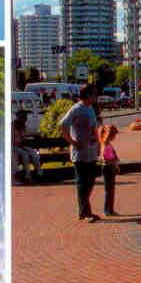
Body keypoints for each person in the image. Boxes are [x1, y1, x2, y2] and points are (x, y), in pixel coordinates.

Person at [59, 86, 100, 222]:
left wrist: (98, 144)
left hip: (91, 151)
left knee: (91, 181)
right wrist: (72, 141)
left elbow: (94, 128)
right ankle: (85, 213)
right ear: (88, 95)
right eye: (94, 94)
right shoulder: (76, 109)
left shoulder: (90, 108)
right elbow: (62, 125)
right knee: (82, 183)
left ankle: (85, 211)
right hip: (80, 153)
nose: (96, 97)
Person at [12, 110, 42, 183]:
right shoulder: (12, 126)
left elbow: (23, 138)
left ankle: (39, 173)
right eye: (23, 117)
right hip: (14, 146)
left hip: (21, 145)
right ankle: (27, 176)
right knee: (25, 155)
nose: (25, 119)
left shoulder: (23, 126)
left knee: (35, 154)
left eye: (25, 117)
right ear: (18, 117)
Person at [98, 124, 121, 216]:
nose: (115, 137)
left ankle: (110, 209)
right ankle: (107, 210)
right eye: (114, 135)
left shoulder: (107, 144)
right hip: (108, 168)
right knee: (109, 190)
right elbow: (105, 157)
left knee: (110, 190)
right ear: (110, 134)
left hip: (110, 167)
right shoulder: (105, 144)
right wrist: (114, 162)